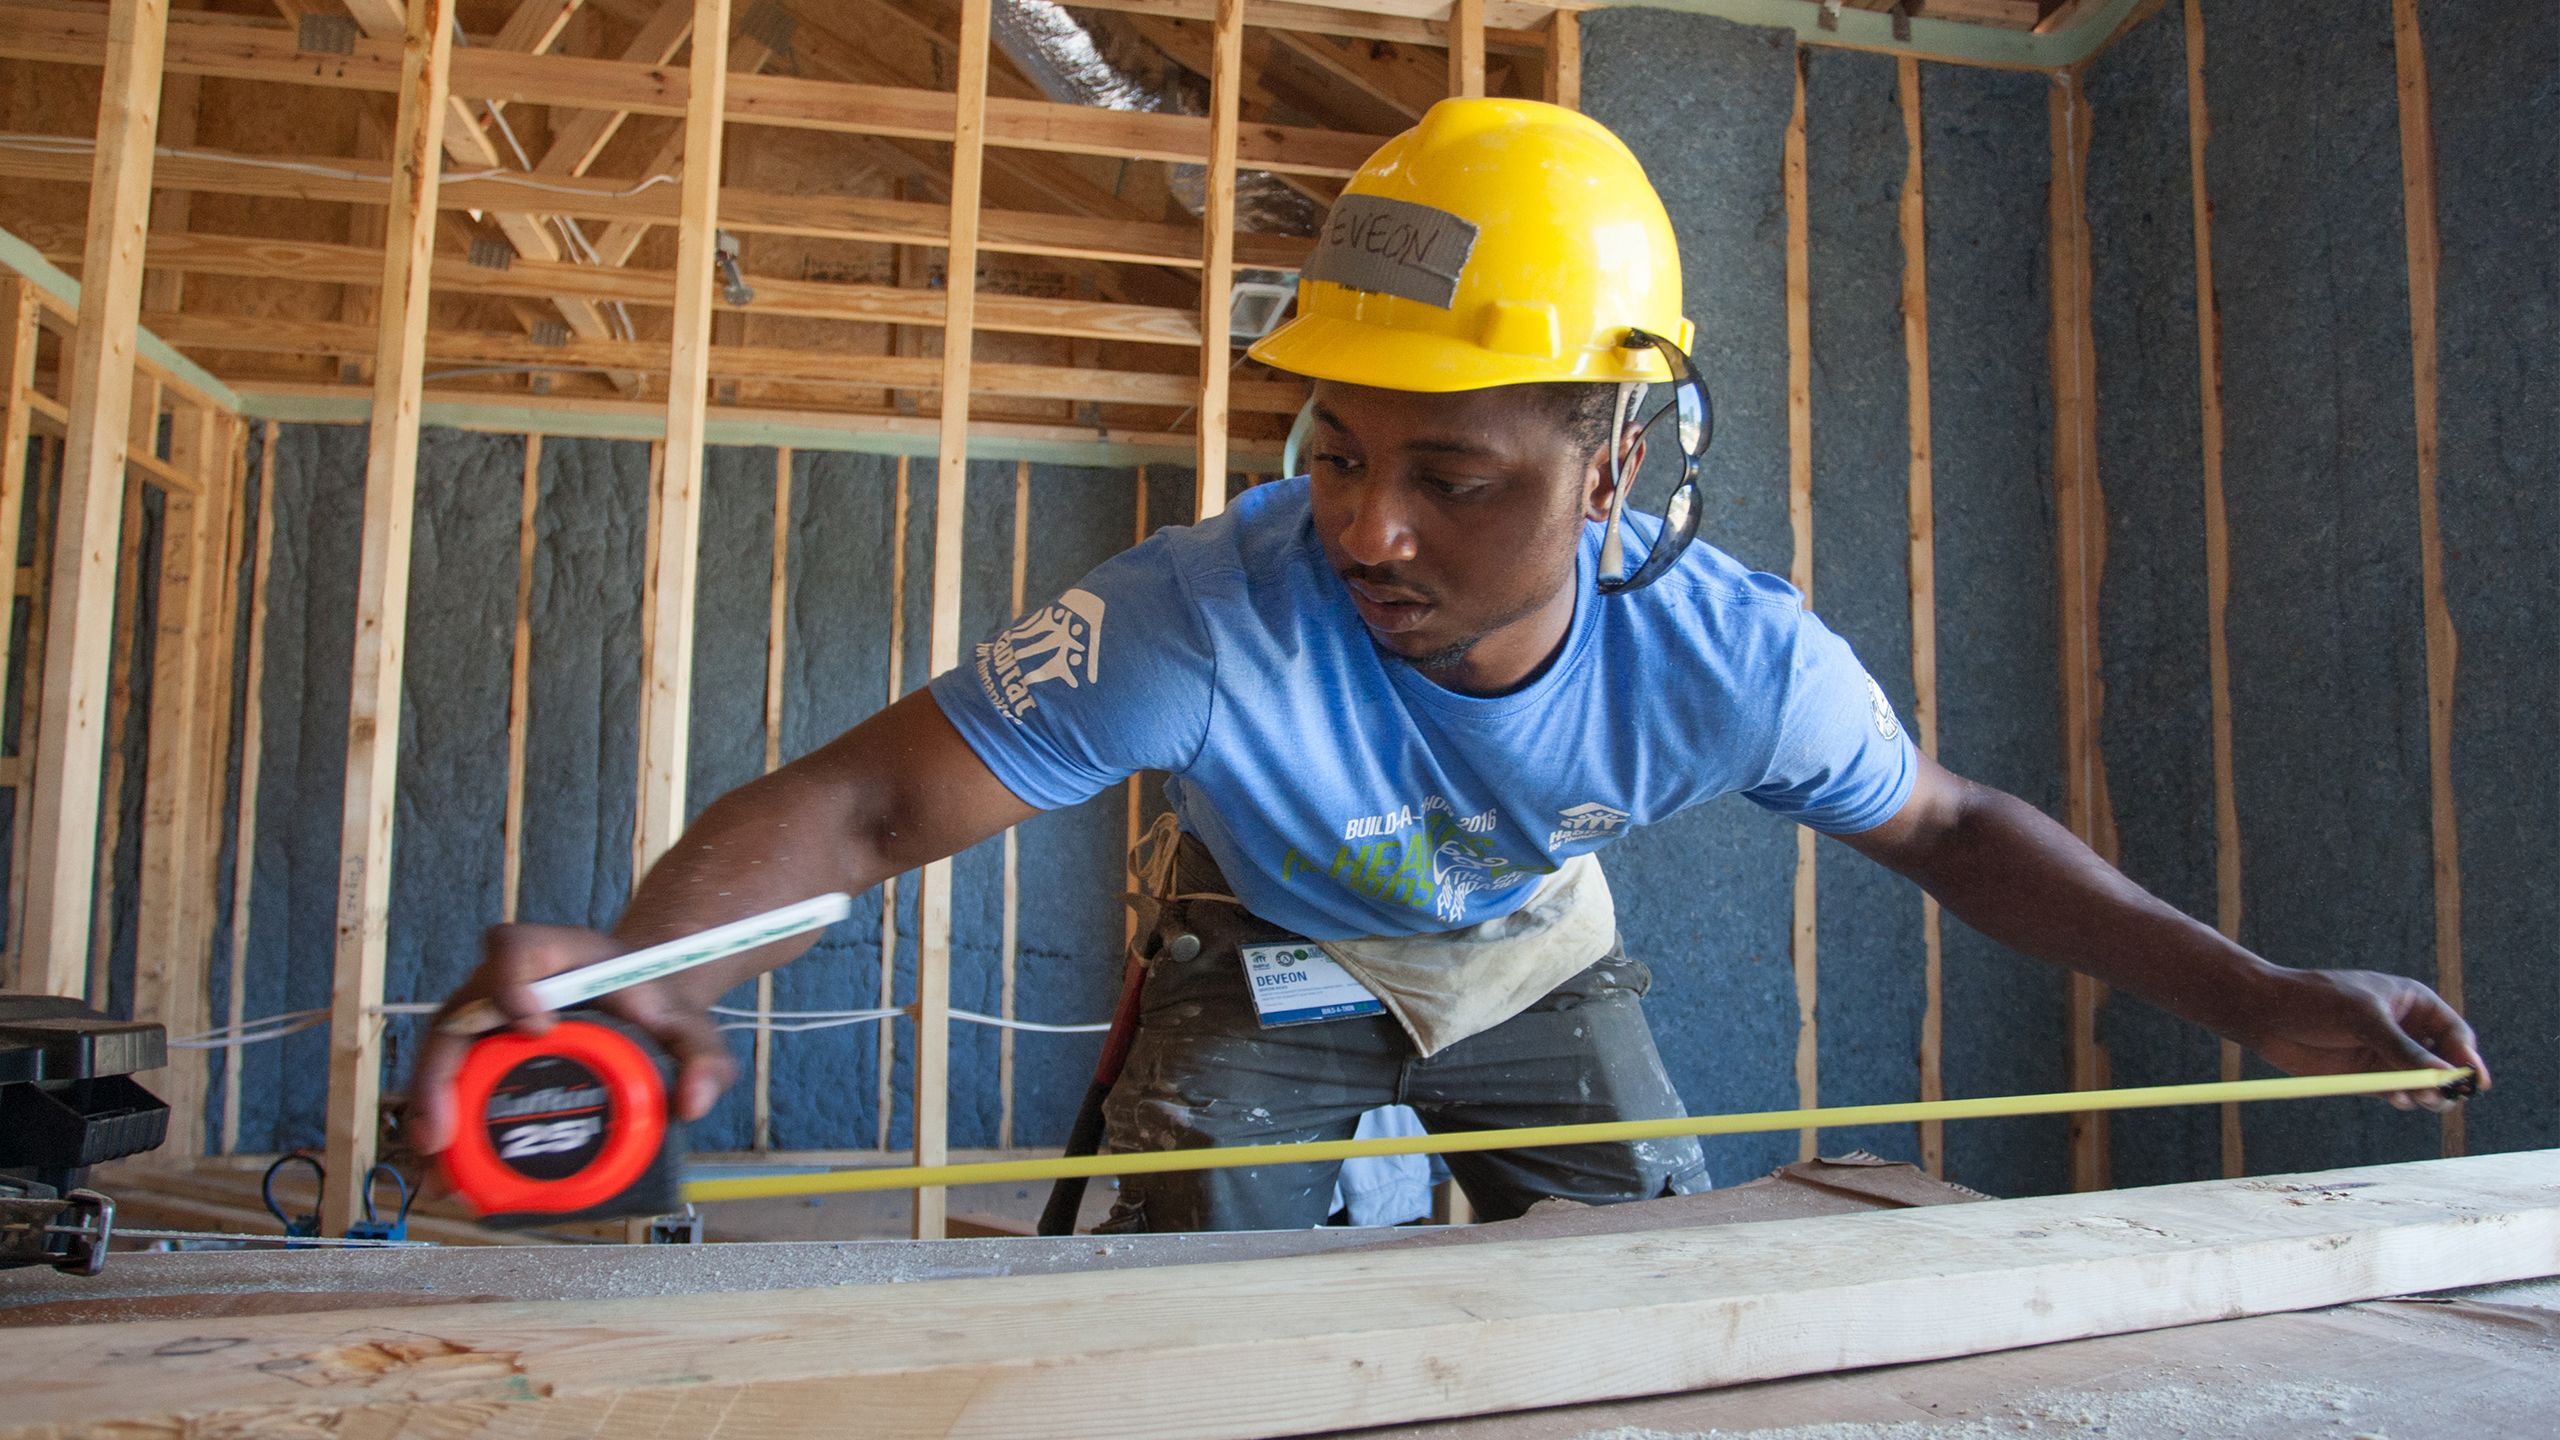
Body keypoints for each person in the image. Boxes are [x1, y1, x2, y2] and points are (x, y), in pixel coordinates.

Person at [411, 99, 2486, 1231]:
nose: (1361, 528)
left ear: (1611, 465)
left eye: (1451, 476)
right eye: (1329, 449)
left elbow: (1942, 825)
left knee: (1649, 1300)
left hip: (1529, 958)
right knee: (1166, 1331)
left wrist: (2250, 994)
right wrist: (644, 975)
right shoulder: (1200, 617)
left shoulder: (1729, 663)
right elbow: (865, 806)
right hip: (1260, 941)